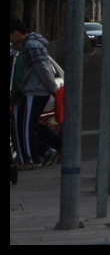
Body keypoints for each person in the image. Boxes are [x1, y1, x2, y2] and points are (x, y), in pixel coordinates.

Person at [9, 16, 61, 169]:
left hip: (35, 91)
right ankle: (48, 150)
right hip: (35, 90)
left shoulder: (31, 46)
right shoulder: (30, 45)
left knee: (26, 126)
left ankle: (30, 160)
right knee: (30, 124)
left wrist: (53, 89)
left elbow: (43, 69)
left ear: (16, 33)